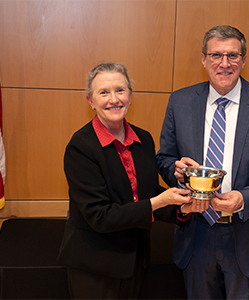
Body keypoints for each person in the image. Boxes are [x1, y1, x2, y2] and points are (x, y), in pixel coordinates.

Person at [156, 25, 249, 300]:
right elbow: (164, 159)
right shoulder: (180, 101)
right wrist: (179, 172)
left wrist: (243, 198)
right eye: (216, 55)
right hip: (196, 235)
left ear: (244, 60)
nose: (224, 63)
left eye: (232, 55)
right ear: (203, 59)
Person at [57, 63, 192, 300]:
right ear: (90, 100)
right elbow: (100, 216)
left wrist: (183, 208)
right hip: (94, 264)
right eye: (103, 92)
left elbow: (146, 193)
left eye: (120, 90)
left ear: (130, 95)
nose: (113, 99)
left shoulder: (144, 139)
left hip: (135, 260)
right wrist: (159, 202)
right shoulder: (81, 147)